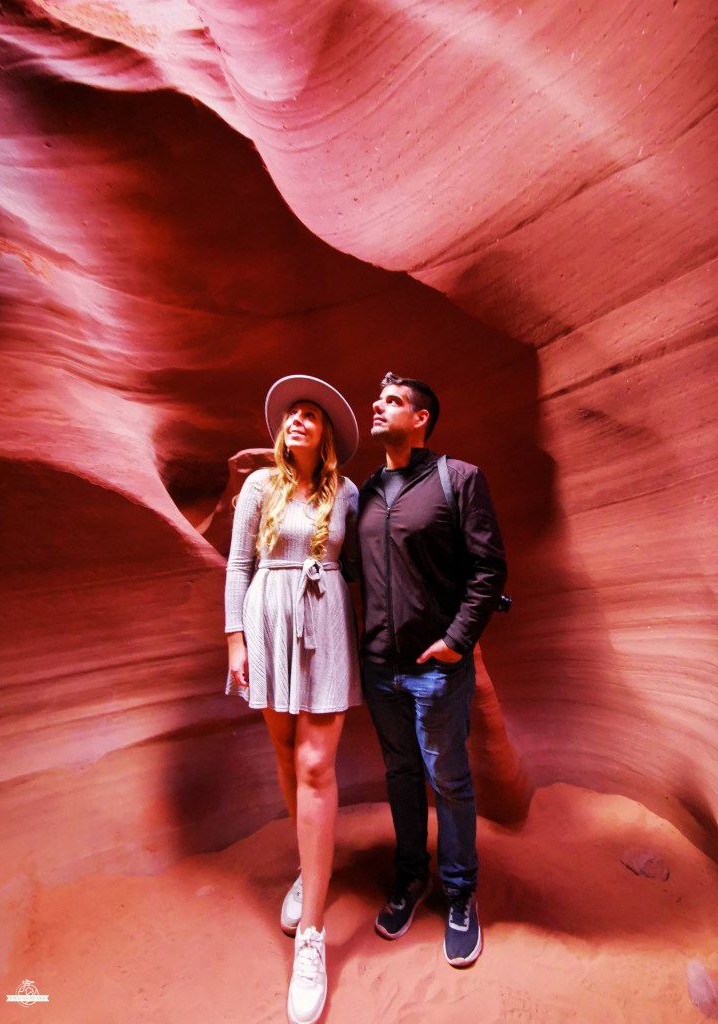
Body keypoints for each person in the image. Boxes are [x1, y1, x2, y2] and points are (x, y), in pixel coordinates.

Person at [357, 371, 507, 968]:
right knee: (400, 775)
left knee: (448, 778)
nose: (378, 406)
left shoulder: (458, 478)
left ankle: (460, 892)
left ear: (421, 418)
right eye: (378, 399)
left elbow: (488, 569)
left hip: (435, 668)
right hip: (379, 666)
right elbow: (347, 567)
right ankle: (410, 876)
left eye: (392, 401)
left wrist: (456, 641)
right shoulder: (366, 492)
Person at [225, 375, 362, 1024]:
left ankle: (312, 935)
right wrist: (235, 639)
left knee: (315, 765)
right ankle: (311, 865)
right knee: (286, 755)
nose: (297, 420)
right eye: (291, 413)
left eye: (310, 413)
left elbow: (364, 565)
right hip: (267, 621)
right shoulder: (260, 486)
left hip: (324, 622)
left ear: (326, 432)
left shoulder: (348, 494)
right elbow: (238, 565)